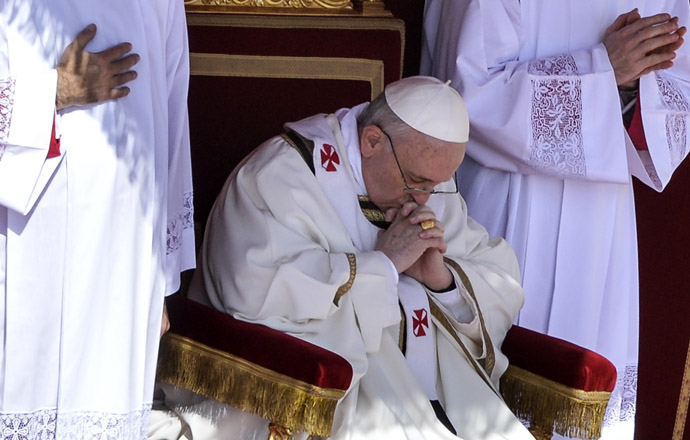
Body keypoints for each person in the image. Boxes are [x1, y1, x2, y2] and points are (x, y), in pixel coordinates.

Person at [158, 76, 533, 440]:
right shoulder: (278, 177)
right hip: (338, 389)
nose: (424, 199)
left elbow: (499, 275)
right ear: (371, 141)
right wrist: (383, 266)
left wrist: (441, 281)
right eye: (417, 182)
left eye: (436, 186)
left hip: (428, 390)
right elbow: (255, 292)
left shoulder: (428, 181)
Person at [421, 1, 690, 438]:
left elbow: (679, 85)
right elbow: (465, 95)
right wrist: (602, 70)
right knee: (491, 371)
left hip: (602, 217)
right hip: (505, 203)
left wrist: (626, 92)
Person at [0, 1, 194, 438]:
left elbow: (170, 113)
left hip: (122, 257)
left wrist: (160, 279)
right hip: (22, 246)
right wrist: (53, 92)